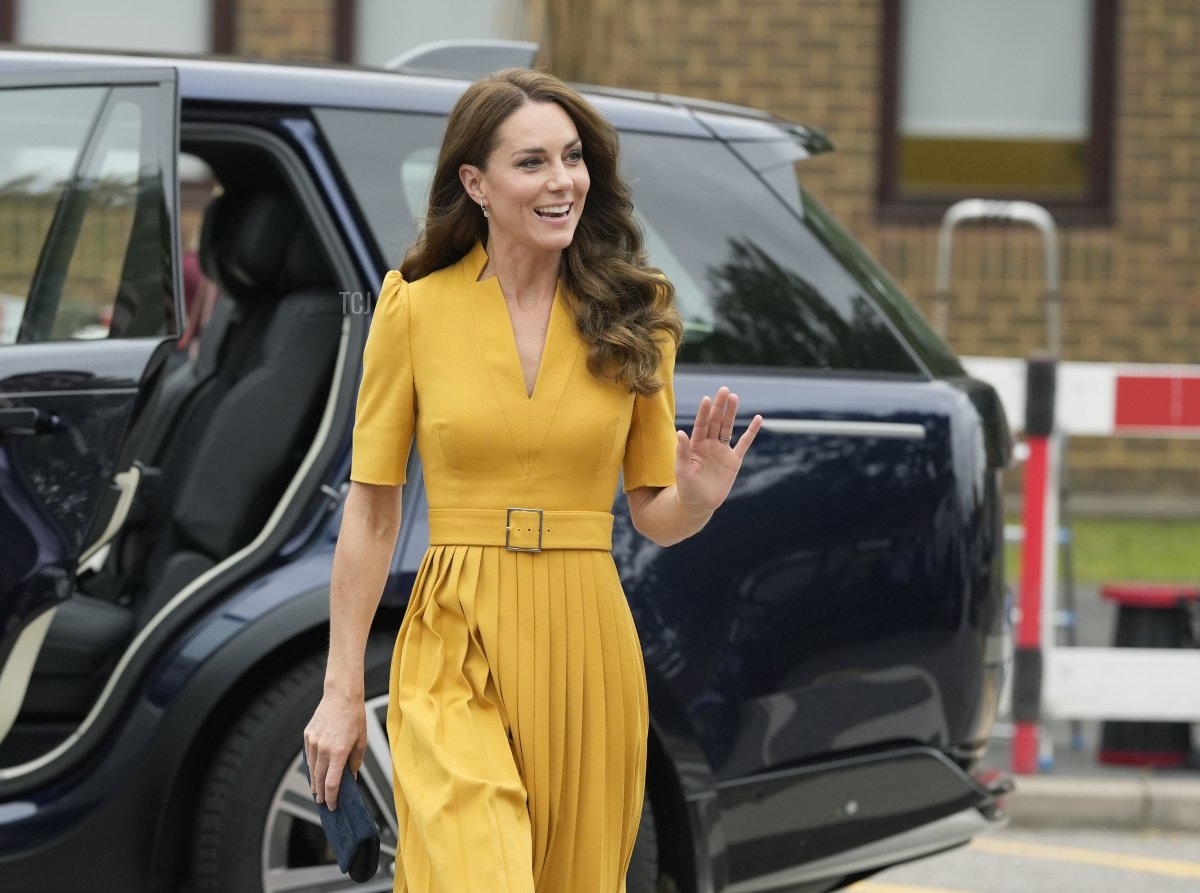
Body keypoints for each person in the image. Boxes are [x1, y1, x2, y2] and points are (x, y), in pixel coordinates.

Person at [304, 67, 762, 893]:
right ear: (474, 182)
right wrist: (341, 693)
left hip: (586, 637)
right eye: (532, 163)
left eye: (573, 157)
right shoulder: (413, 308)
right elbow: (371, 514)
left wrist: (696, 496)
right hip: (454, 632)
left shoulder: (638, 314)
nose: (562, 182)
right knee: (478, 874)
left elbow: (653, 514)